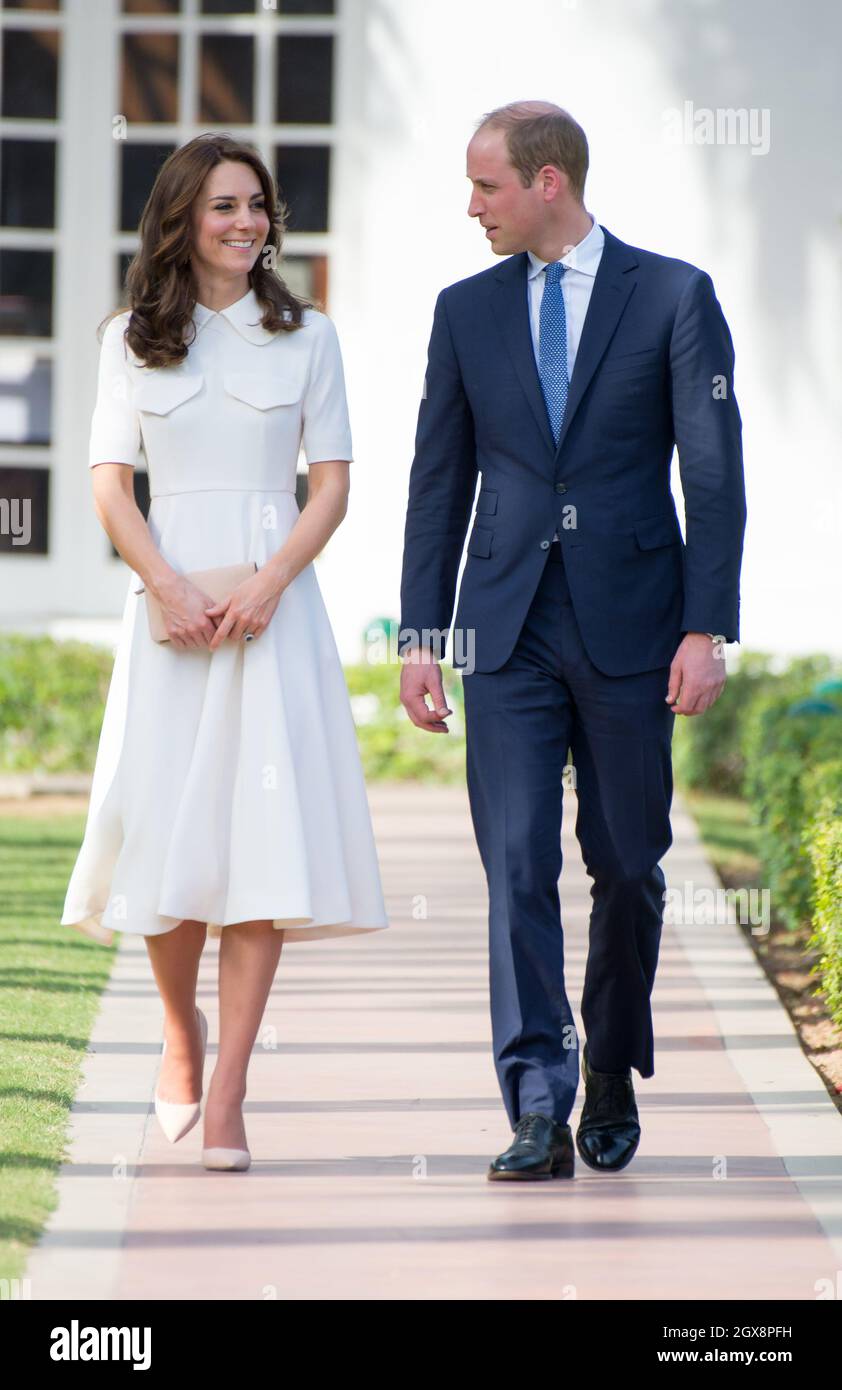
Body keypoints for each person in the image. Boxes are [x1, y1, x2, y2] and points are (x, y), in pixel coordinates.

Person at [398, 101, 746, 1181]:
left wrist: (704, 625)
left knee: (629, 866)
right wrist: (420, 632)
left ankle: (608, 1068)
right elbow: (437, 478)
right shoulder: (464, 311)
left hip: (632, 623)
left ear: (547, 182)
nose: (471, 207)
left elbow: (713, 471)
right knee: (512, 865)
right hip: (504, 621)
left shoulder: (674, 297)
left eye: (485, 186)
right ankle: (537, 1099)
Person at [61, 133, 389, 1173]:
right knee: (164, 836)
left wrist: (266, 584)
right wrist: (164, 586)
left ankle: (236, 1082)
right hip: (166, 620)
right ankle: (177, 1034)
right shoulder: (127, 338)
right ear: (180, 221)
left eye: (256, 205)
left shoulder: (308, 337)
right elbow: (112, 481)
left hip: (269, 616)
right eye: (222, 208)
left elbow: (330, 484)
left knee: (260, 847)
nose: (245, 223)